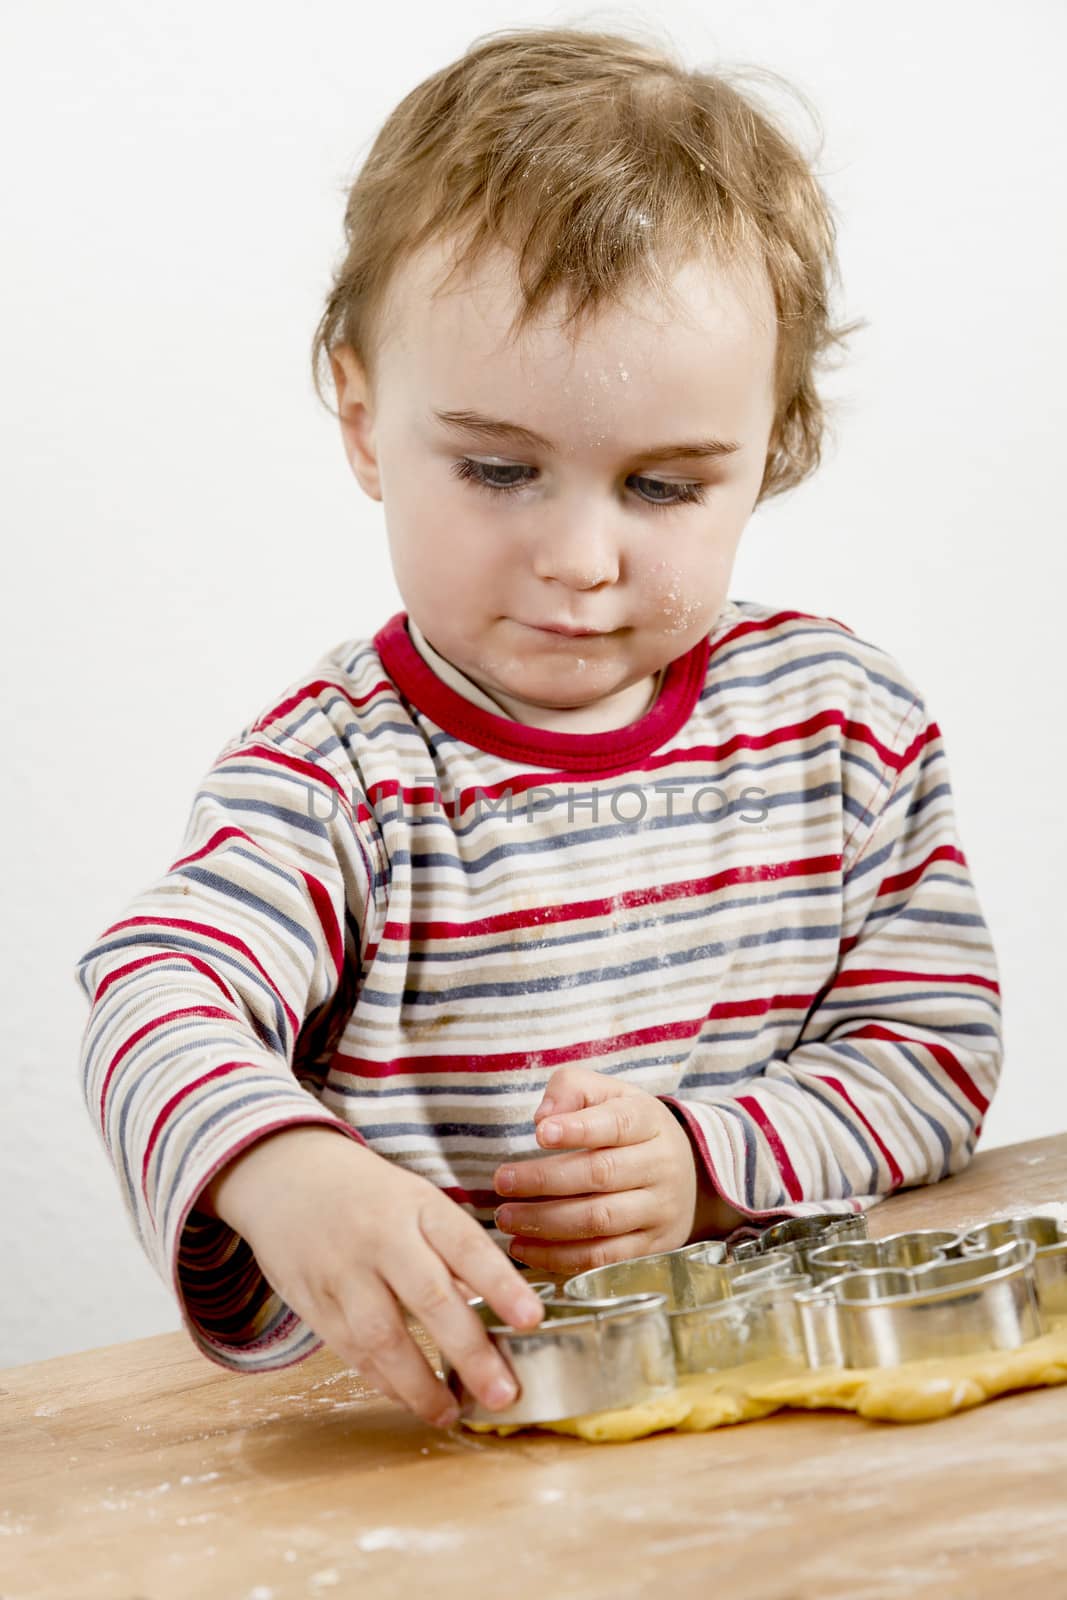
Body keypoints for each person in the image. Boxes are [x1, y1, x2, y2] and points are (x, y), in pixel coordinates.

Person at [74, 23, 1003, 1431]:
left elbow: (928, 1053)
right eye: (501, 469)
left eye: (664, 487)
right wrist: (286, 1172)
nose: (579, 557)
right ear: (363, 415)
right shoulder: (339, 777)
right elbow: (155, 993)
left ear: (778, 448)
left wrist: (704, 1160)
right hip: (445, 1444)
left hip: (779, 1432)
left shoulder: (843, 729)